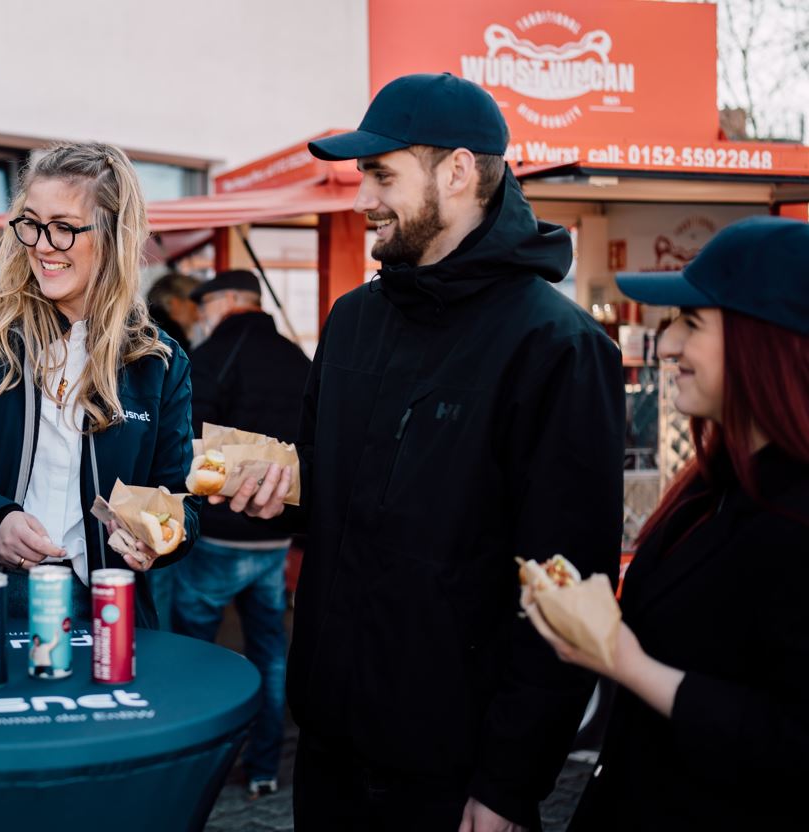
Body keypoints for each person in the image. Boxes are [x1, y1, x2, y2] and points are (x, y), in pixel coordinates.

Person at [221, 73, 625, 830]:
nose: (361, 196)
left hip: (454, 773)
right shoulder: (352, 321)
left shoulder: (557, 347)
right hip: (330, 750)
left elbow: (566, 591)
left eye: (381, 174)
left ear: (459, 171)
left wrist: (511, 784)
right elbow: (332, 484)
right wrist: (286, 483)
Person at [526, 217, 809, 830]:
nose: (668, 343)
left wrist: (630, 665)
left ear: (768, 342)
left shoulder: (794, 513)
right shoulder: (719, 484)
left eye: (693, 322)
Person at [0, 141, 199, 626]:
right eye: (31, 223)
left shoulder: (157, 359)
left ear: (114, 235)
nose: (42, 245)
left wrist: (162, 536)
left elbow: (179, 498)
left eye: (64, 228)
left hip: (103, 606)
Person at [170, 268, 309, 799]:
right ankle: (264, 768)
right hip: (276, 534)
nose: (201, 318)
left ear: (227, 301)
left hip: (221, 535)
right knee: (270, 651)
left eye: (205, 308)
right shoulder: (297, 357)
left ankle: (196, 765)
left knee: (197, 654)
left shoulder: (210, 358)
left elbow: (187, 440)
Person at [147, 270, 203, 353]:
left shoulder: (147, 331)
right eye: (196, 305)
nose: (200, 315)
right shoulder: (172, 343)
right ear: (175, 305)